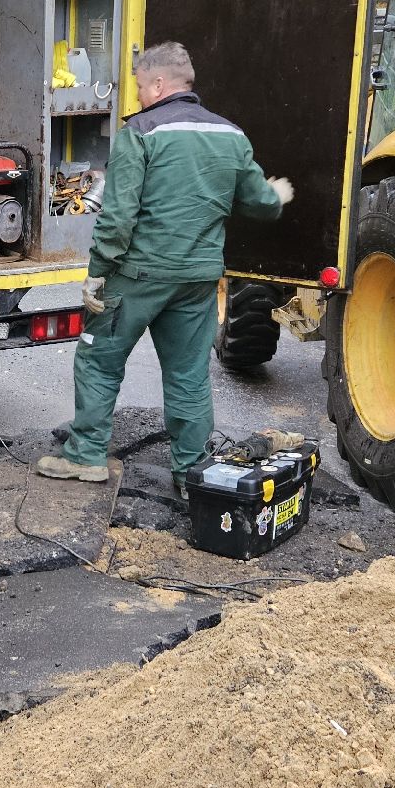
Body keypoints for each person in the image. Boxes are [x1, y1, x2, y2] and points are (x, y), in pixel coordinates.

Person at [36, 42, 292, 499]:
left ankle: (85, 456)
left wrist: (96, 272)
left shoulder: (142, 132)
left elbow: (117, 216)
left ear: (158, 84)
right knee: (189, 373)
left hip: (137, 275)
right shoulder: (231, 135)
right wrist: (278, 196)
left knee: (98, 359)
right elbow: (260, 202)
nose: (136, 96)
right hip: (196, 280)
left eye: (138, 86)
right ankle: (192, 474)